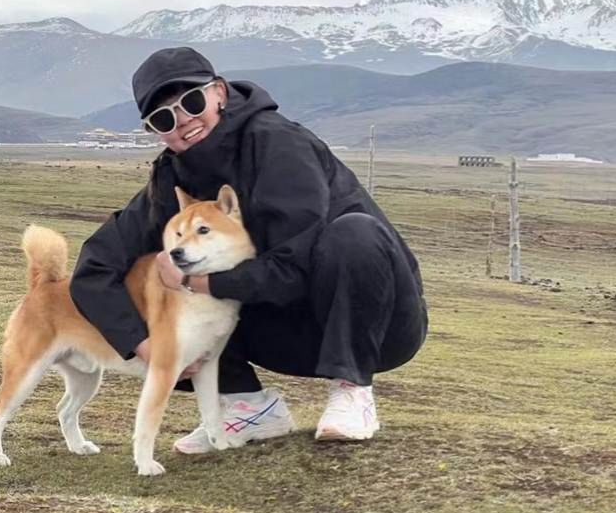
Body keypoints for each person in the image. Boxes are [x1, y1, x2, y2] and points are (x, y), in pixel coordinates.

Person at [69, 47, 427, 453]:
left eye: (192, 102)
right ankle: (248, 406)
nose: (183, 120)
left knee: (353, 234)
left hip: (378, 325)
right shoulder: (171, 183)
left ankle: (352, 390)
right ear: (156, 132)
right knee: (152, 269)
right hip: (284, 333)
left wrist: (197, 282)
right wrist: (143, 344)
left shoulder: (280, 144)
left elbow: (295, 266)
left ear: (219, 93)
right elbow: (95, 268)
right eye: (164, 118)